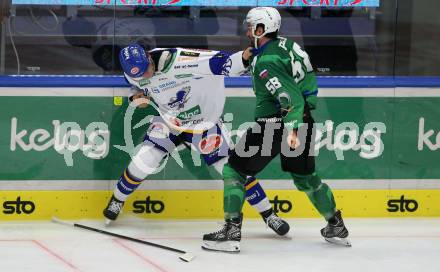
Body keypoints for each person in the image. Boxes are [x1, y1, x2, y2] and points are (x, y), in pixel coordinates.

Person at [202, 7, 350, 253]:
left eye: (251, 26)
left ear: (262, 29)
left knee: (234, 170)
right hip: (303, 120)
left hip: (277, 123)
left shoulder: (267, 61)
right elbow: (300, 91)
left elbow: (290, 99)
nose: (247, 30)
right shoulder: (285, 46)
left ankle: (231, 231)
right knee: (306, 179)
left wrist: (290, 130)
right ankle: (336, 225)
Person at [102, 43, 290, 236]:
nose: (145, 76)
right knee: (144, 160)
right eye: (139, 75)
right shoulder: (134, 73)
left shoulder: (184, 60)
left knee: (234, 170)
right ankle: (117, 200)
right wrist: (135, 98)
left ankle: (269, 214)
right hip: (170, 122)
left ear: (149, 57)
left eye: (146, 70)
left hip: (204, 124)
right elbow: (135, 89)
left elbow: (224, 63)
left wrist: (245, 56)